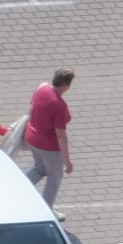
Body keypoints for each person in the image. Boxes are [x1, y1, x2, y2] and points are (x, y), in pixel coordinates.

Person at [24, 67, 76, 222]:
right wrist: (67, 161)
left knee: (40, 169)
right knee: (54, 178)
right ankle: (47, 211)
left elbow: (31, 109)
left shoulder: (42, 88)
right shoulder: (59, 105)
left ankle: (17, 189)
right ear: (67, 84)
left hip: (32, 138)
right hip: (48, 146)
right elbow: (61, 135)